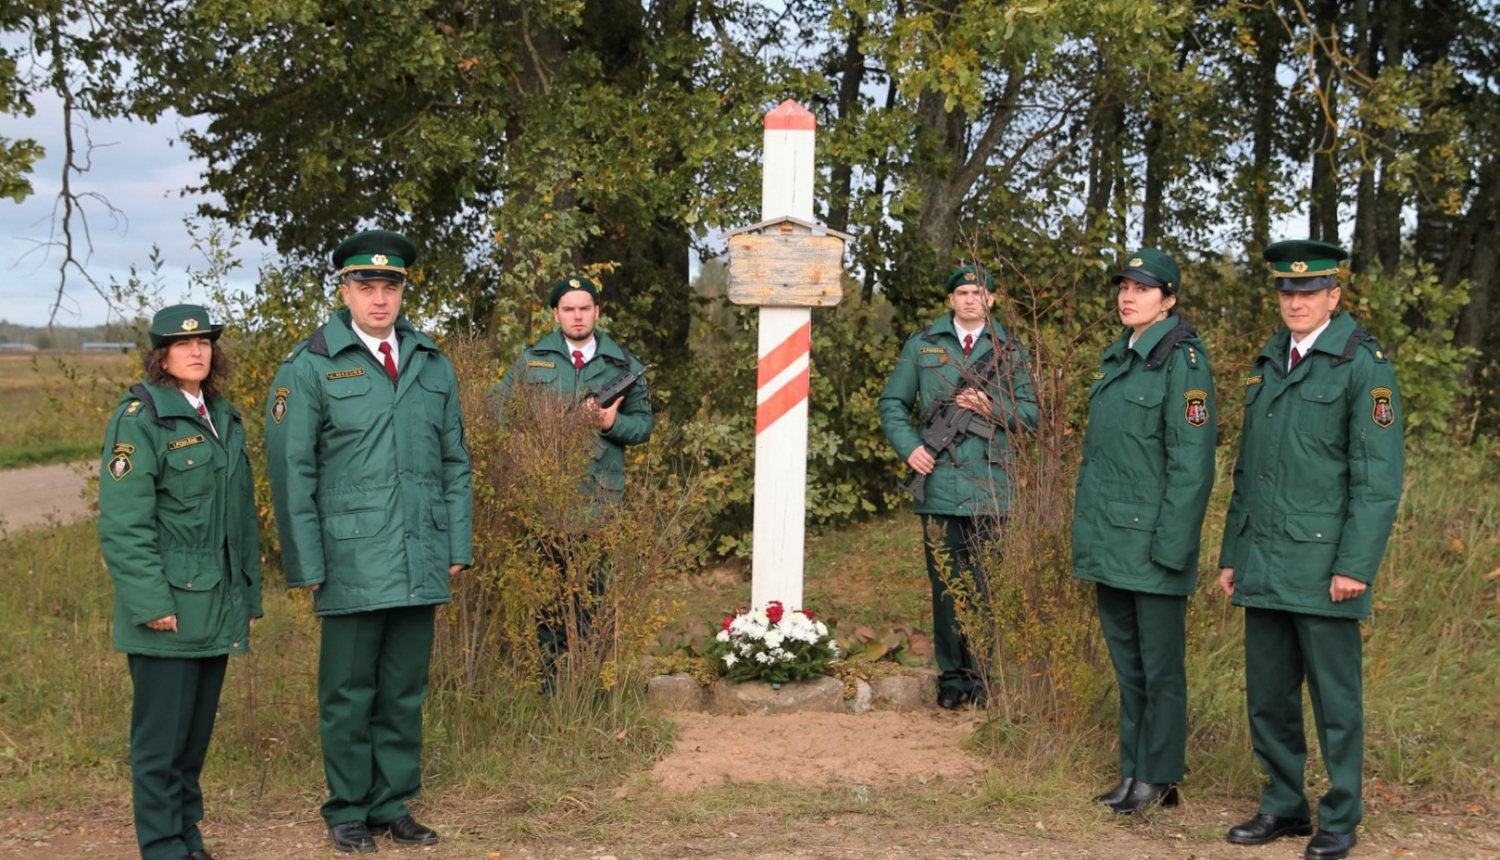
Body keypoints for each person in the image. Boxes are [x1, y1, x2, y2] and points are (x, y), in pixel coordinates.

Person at [266, 229, 473, 854]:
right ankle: (348, 807)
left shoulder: (432, 363)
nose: (379, 298)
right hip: (350, 556)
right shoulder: (309, 367)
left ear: (403, 291)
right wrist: (306, 562)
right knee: (349, 690)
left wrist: (455, 543)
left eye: (390, 286)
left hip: (420, 551)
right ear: (344, 289)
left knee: (405, 687)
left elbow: (454, 461)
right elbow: (291, 470)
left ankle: (391, 803)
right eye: (366, 286)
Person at [1217, 240, 1404, 860]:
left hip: (1326, 565)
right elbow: (1249, 473)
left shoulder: (1362, 365)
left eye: (1308, 292)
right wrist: (1231, 552)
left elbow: (1377, 478)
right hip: (1264, 559)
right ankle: (1283, 805)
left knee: (1335, 701)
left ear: (1333, 296)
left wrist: (1356, 564)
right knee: (1269, 695)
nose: (1295, 302)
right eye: (1286, 292)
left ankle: (1341, 815)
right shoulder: (1269, 360)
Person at [99, 304, 261, 860]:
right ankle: (163, 845)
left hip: (215, 604)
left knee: (191, 741)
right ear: (161, 354)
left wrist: (247, 596)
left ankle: (187, 836)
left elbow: (237, 521)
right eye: (182, 344)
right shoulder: (141, 418)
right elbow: (124, 524)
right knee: (160, 743)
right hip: (168, 608)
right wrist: (150, 602)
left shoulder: (221, 415)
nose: (197, 352)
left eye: (206, 343)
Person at [1072, 249, 1217, 814]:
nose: (1127, 296)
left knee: (1160, 669)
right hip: (1110, 541)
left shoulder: (1185, 363)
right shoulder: (1119, 358)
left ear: (1170, 300)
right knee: (1128, 666)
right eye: (1124, 287)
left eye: (1143, 288)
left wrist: (1173, 547)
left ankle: (1160, 776)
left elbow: (1192, 464)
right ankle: (1133, 772)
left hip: (1154, 545)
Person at [878, 264, 1038, 709]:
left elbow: (1033, 415)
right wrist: (910, 448)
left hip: (992, 487)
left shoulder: (1011, 350)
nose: (971, 299)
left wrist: (993, 406)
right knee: (947, 586)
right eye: (963, 292)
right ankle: (952, 678)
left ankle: (983, 677)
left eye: (979, 292)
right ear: (951, 299)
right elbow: (892, 403)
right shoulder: (923, 346)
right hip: (940, 485)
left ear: (991, 300)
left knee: (987, 585)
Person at [491, 273, 654, 674]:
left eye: (585, 308)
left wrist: (609, 426)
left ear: (597, 311)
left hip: (598, 500)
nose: (577, 316)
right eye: (569, 309)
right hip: (543, 497)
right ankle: (551, 688)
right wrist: (527, 445)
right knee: (547, 600)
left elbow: (644, 426)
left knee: (592, 601)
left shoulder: (623, 364)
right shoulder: (532, 360)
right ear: (556, 314)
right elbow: (496, 410)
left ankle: (589, 688)